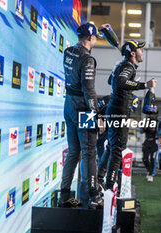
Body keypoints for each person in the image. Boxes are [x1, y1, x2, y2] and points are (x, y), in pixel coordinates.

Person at [58, 22, 104, 209]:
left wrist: (98, 28)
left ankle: (65, 195)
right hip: (83, 107)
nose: (96, 41)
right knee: (89, 151)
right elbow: (88, 89)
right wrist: (97, 114)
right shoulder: (88, 59)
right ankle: (94, 195)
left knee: (73, 151)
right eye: (95, 38)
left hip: (68, 104)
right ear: (90, 38)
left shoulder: (68, 51)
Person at [104, 40, 157, 192]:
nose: (143, 52)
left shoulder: (123, 65)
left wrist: (132, 83)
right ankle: (109, 190)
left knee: (112, 149)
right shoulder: (128, 66)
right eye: (140, 49)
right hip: (119, 112)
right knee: (117, 150)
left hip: (115, 109)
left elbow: (111, 81)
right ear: (133, 53)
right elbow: (120, 82)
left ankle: (103, 181)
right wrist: (143, 85)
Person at [97, 95, 140, 189]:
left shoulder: (118, 105)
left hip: (108, 131)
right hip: (99, 132)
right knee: (105, 155)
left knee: (112, 152)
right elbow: (95, 110)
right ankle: (100, 182)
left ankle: (105, 181)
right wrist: (99, 120)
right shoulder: (110, 102)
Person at [142, 113, 158, 182]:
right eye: (151, 114)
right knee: (144, 158)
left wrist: (147, 127)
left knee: (152, 159)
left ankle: (150, 174)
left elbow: (153, 129)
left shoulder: (157, 121)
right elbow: (142, 129)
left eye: (154, 114)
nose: (153, 115)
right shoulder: (146, 120)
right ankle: (149, 170)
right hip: (146, 142)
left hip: (154, 142)